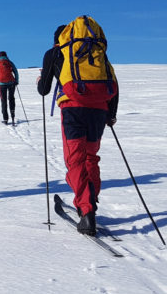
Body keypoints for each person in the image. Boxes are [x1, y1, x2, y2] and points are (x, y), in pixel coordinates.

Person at [37, 21, 118, 236]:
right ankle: (90, 198)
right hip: (99, 110)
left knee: (75, 160)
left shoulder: (54, 53)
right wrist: (111, 114)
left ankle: (86, 209)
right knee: (90, 157)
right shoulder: (95, 52)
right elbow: (112, 82)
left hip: (73, 110)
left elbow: (43, 90)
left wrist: (41, 78)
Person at [0, 51, 19, 125]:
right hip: (11, 83)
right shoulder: (9, 62)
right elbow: (15, 71)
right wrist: (16, 80)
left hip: (1, 84)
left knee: (4, 101)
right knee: (11, 99)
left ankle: (5, 119)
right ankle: (13, 116)